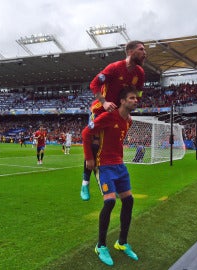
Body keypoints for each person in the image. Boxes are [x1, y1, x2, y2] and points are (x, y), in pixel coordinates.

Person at [80, 40, 146, 201]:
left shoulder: (140, 73)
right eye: (141, 49)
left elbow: (139, 92)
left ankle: (111, 185)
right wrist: (104, 102)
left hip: (118, 113)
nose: (145, 52)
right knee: (93, 145)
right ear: (130, 52)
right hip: (101, 110)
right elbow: (94, 84)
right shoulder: (114, 68)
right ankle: (85, 182)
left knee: (114, 147)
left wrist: (130, 108)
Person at [82, 87, 139, 266]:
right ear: (122, 101)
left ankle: (121, 243)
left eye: (136, 98)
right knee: (110, 201)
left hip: (120, 165)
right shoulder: (108, 116)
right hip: (104, 165)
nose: (136, 100)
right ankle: (101, 246)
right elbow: (86, 133)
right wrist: (89, 159)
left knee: (129, 201)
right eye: (132, 98)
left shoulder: (128, 121)